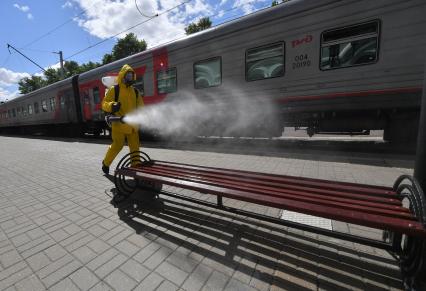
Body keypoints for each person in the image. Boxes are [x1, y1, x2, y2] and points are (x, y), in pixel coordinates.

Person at [101, 64, 144, 174]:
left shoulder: (135, 91)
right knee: (117, 145)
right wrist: (112, 106)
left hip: (133, 125)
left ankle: (135, 166)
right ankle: (106, 163)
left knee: (135, 146)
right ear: (123, 76)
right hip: (119, 124)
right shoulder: (114, 90)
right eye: (128, 75)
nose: (130, 78)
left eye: (132, 76)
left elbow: (141, 106)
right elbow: (104, 104)